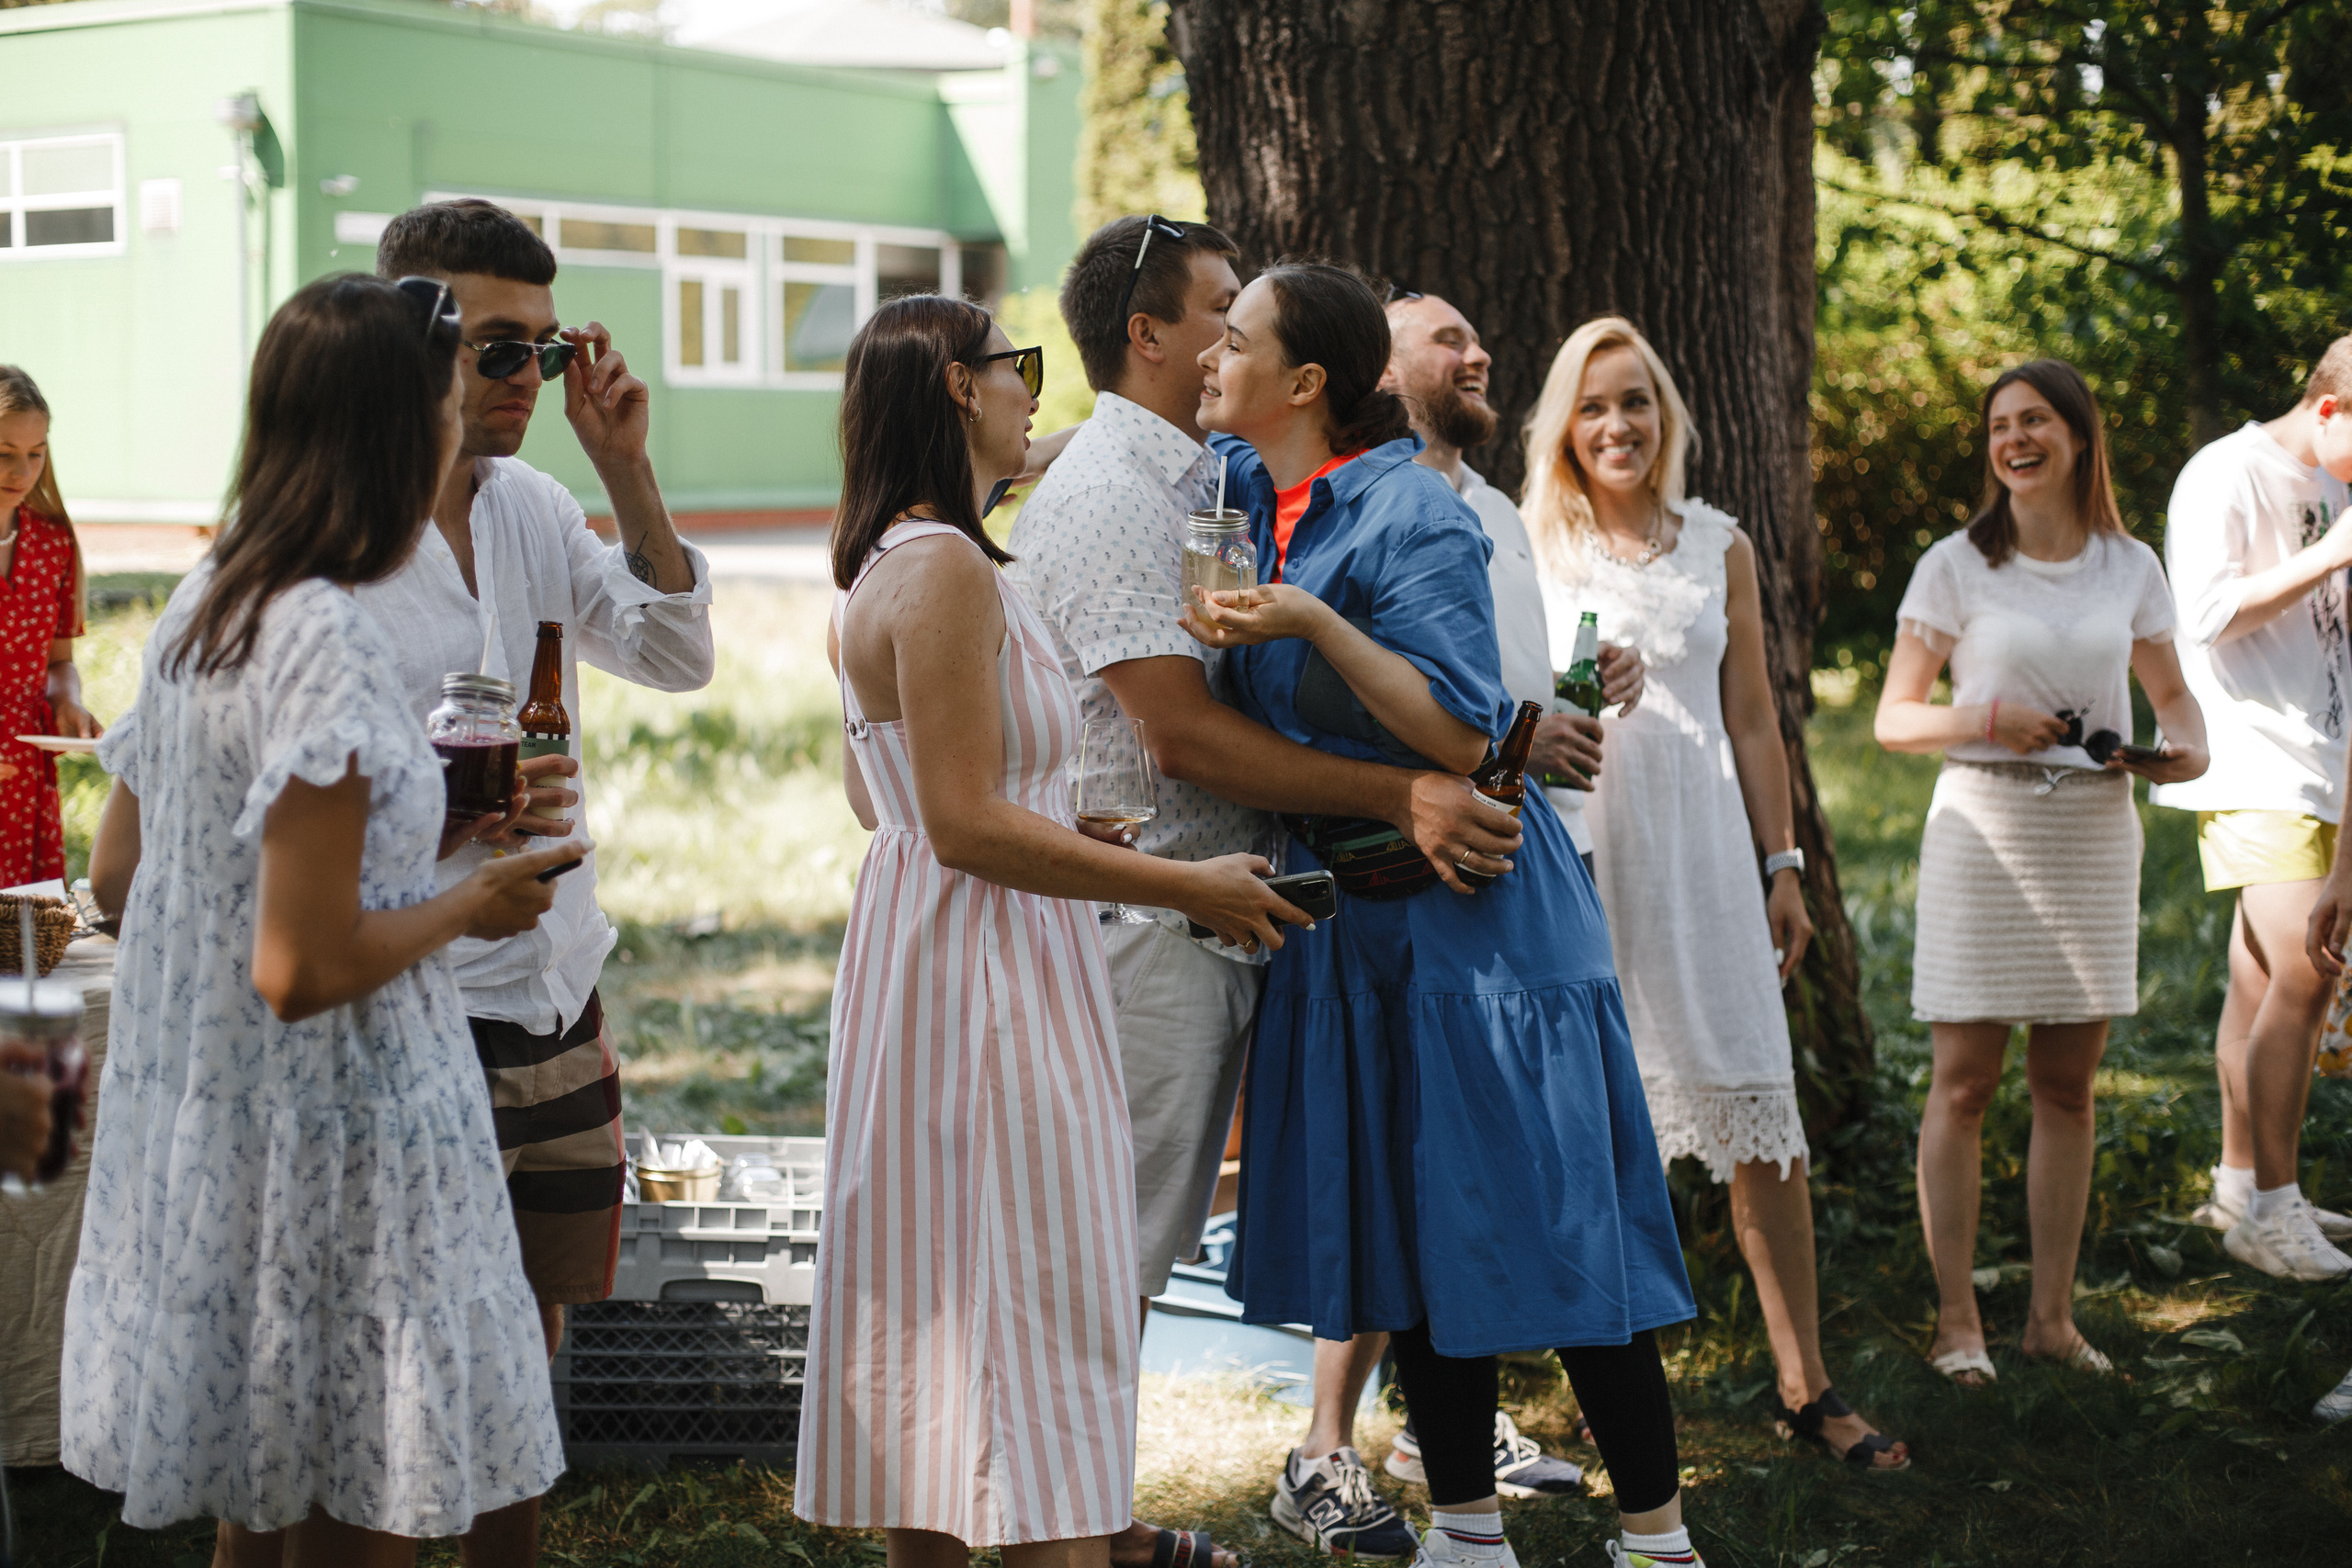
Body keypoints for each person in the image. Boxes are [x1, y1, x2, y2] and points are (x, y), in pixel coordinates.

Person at [1005, 220, 1535, 1563]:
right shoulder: (1121, 493)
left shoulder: (1196, 467)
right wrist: (1399, 793)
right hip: (1148, 915)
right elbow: (1181, 738)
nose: (1226, 340)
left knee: (1128, 1243)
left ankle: (1089, 1517)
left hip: (1210, 911)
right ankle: (1068, 1531)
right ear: (1149, 335)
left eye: (1244, 323)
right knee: (1110, 1253)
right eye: (1217, 313)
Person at [1185, 262, 1702, 1568]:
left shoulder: (1408, 507)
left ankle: (1658, 1538)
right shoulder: (1247, 487)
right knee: (1413, 1228)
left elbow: (1467, 728)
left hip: (1483, 918)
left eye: (1234, 341)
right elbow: (1131, 441)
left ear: (1305, 381)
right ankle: (1467, 1533)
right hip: (1356, 926)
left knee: (1554, 1218)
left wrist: (1315, 621)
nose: (1210, 357)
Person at [62, 274, 581, 1564]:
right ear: (396, 434)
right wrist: (473, 899)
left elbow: (123, 871)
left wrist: (429, 834)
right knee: (364, 1493)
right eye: (445, 416)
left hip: (237, 1130)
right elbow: (300, 965)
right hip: (350, 1128)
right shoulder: (327, 640)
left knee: (269, 1484)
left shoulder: (208, 598)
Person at [796, 293, 1301, 1568]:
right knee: (1034, 1295)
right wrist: (1186, 883)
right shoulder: (948, 570)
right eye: (1013, 365)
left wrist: (1058, 819)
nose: (1032, 388)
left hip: (930, 953)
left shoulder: (887, 559)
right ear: (958, 388)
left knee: (942, 1288)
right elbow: (963, 824)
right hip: (987, 973)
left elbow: (882, 798)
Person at [358, 200, 714, 1565]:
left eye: (546, 349)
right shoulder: (337, 537)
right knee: (390, 1366)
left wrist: (627, 470)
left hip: (554, 987)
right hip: (407, 1000)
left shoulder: (533, 506)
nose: (529, 377)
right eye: (499, 347)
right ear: (408, 340)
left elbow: (675, 655)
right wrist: (455, 816)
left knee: (529, 1330)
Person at [1278, 290, 1656, 1517]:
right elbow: (1419, 707)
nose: (1479, 351)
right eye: (1447, 338)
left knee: (1522, 1188)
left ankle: (1552, 1494)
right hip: (1397, 889)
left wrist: (1574, 693)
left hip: (1510, 872)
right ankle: (1351, 1457)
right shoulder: (1331, 505)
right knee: (1412, 1191)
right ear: (1375, 371)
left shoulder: (1487, 511)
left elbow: (1495, 692)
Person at [1517, 315, 1905, 1470]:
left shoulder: (1718, 543)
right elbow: (1517, 699)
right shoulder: (1532, 546)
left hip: (1709, 858)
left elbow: (1755, 719)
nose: (1617, 424)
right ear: (1564, 428)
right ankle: (1610, 1385)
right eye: (1592, 406)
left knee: (1761, 1115)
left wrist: (1781, 865)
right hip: (1592, 855)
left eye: (1634, 400)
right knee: (1598, 1132)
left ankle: (1806, 1385)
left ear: (1666, 415)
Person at [1873, 358, 2208, 1382]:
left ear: (2078, 434)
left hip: (2093, 833)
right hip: (1983, 827)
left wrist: (2183, 753)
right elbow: (1892, 720)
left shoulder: (2130, 566)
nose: (2013, 440)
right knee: (1964, 1085)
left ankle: (2050, 1321)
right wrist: (1985, 717)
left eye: (2034, 421)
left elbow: (2174, 701)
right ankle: (1957, 1322)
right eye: (1999, 426)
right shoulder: (1954, 565)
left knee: (2068, 1087)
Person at [2155, 339, 2352, 1281]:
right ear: (2329, 408)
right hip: (2254, 762)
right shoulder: (2223, 472)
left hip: (2323, 762)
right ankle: (2273, 1210)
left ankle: (2239, 1185)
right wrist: (2331, 553)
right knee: (2311, 974)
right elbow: (2201, 615)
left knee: (2260, 981)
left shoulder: (2335, 484)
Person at [0, 367, 100, 884]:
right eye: (4, 453)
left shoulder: (53, 542)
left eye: (36, 453)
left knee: (24, 926)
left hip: (24, 773)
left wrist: (66, 702)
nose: (22, 471)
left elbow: (58, 661)